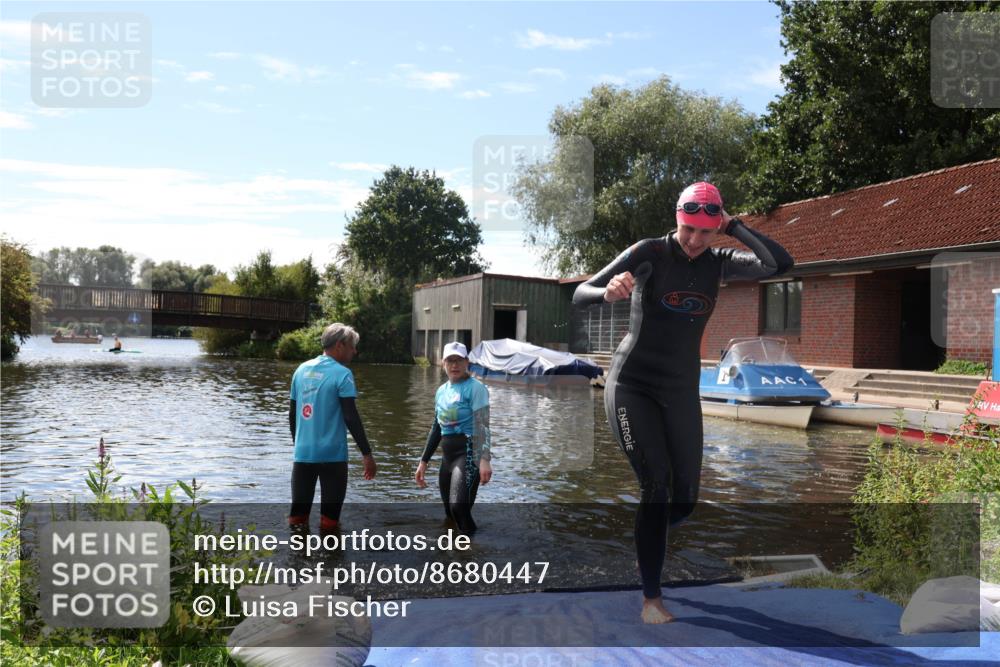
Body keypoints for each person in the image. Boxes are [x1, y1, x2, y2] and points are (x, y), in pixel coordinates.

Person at [572, 182, 794, 624]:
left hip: (679, 390)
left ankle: (646, 541)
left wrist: (736, 227)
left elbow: (778, 264)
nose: (694, 239)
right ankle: (651, 600)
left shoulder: (721, 263)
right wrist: (608, 292)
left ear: (717, 229)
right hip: (631, 385)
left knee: (686, 500)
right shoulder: (649, 252)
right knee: (656, 485)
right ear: (677, 217)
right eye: (688, 227)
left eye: (705, 231)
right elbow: (580, 293)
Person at [288, 323, 377, 534]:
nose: (354, 351)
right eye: (352, 346)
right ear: (340, 345)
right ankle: (331, 563)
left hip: (303, 455)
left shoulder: (300, 371)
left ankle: (296, 563)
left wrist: (299, 445)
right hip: (333, 458)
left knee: (297, 518)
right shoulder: (342, 374)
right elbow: (351, 417)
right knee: (330, 522)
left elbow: (292, 416)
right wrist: (367, 454)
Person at [414, 341, 492, 534]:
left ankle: (470, 552)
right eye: (450, 360)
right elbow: (436, 428)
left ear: (467, 362)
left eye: (459, 360)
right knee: (450, 512)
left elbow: (483, 425)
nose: (454, 365)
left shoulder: (475, 388)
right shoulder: (441, 391)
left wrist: (484, 459)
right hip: (447, 458)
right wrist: (423, 461)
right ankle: (454, 552)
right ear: (443, 363)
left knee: (459, 508)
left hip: (469, 454)